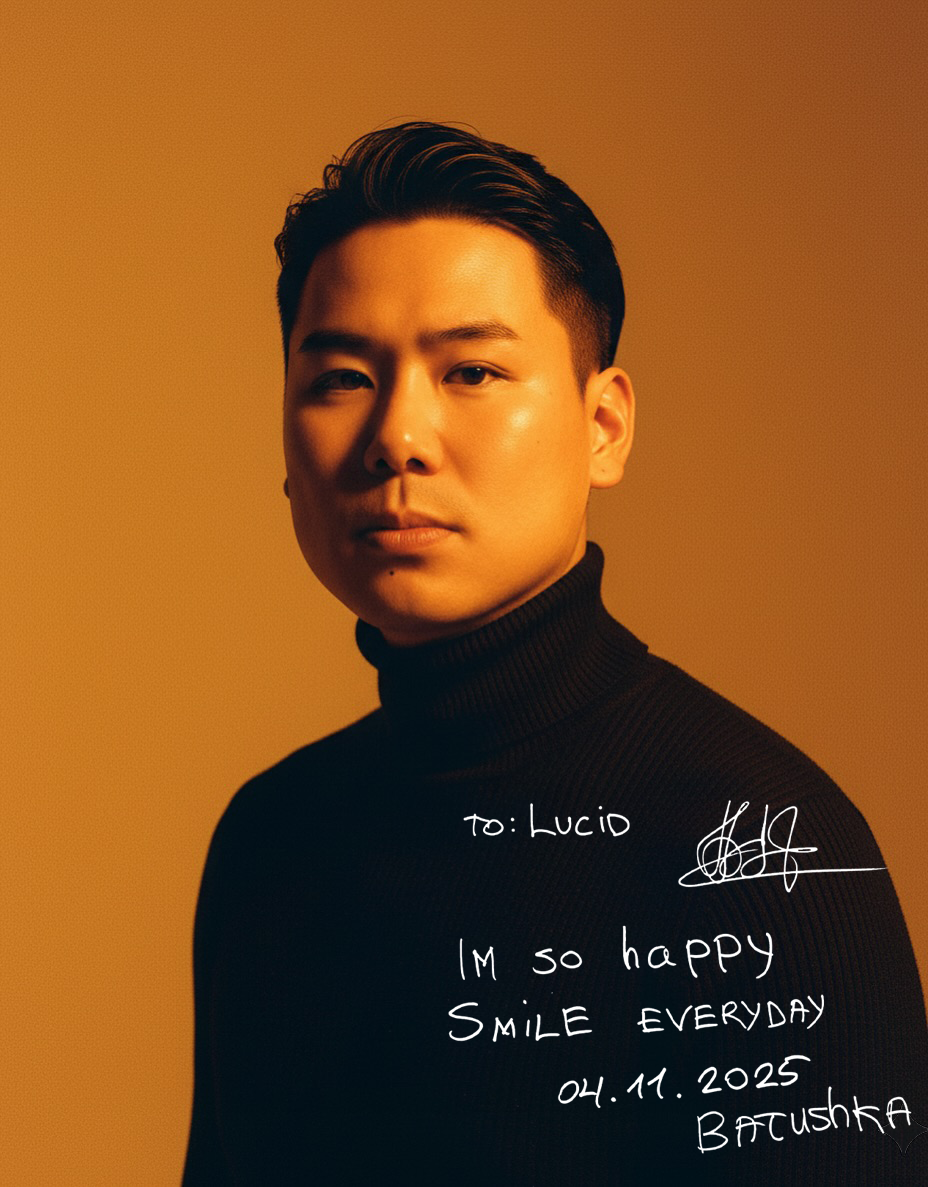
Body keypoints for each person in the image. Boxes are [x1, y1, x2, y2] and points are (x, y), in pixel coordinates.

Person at [181, 121, 927, 1185]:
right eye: (342, 376)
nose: (398, 437)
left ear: (604, 426)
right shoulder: (271, 838)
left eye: (472, 370)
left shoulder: (764, 852)